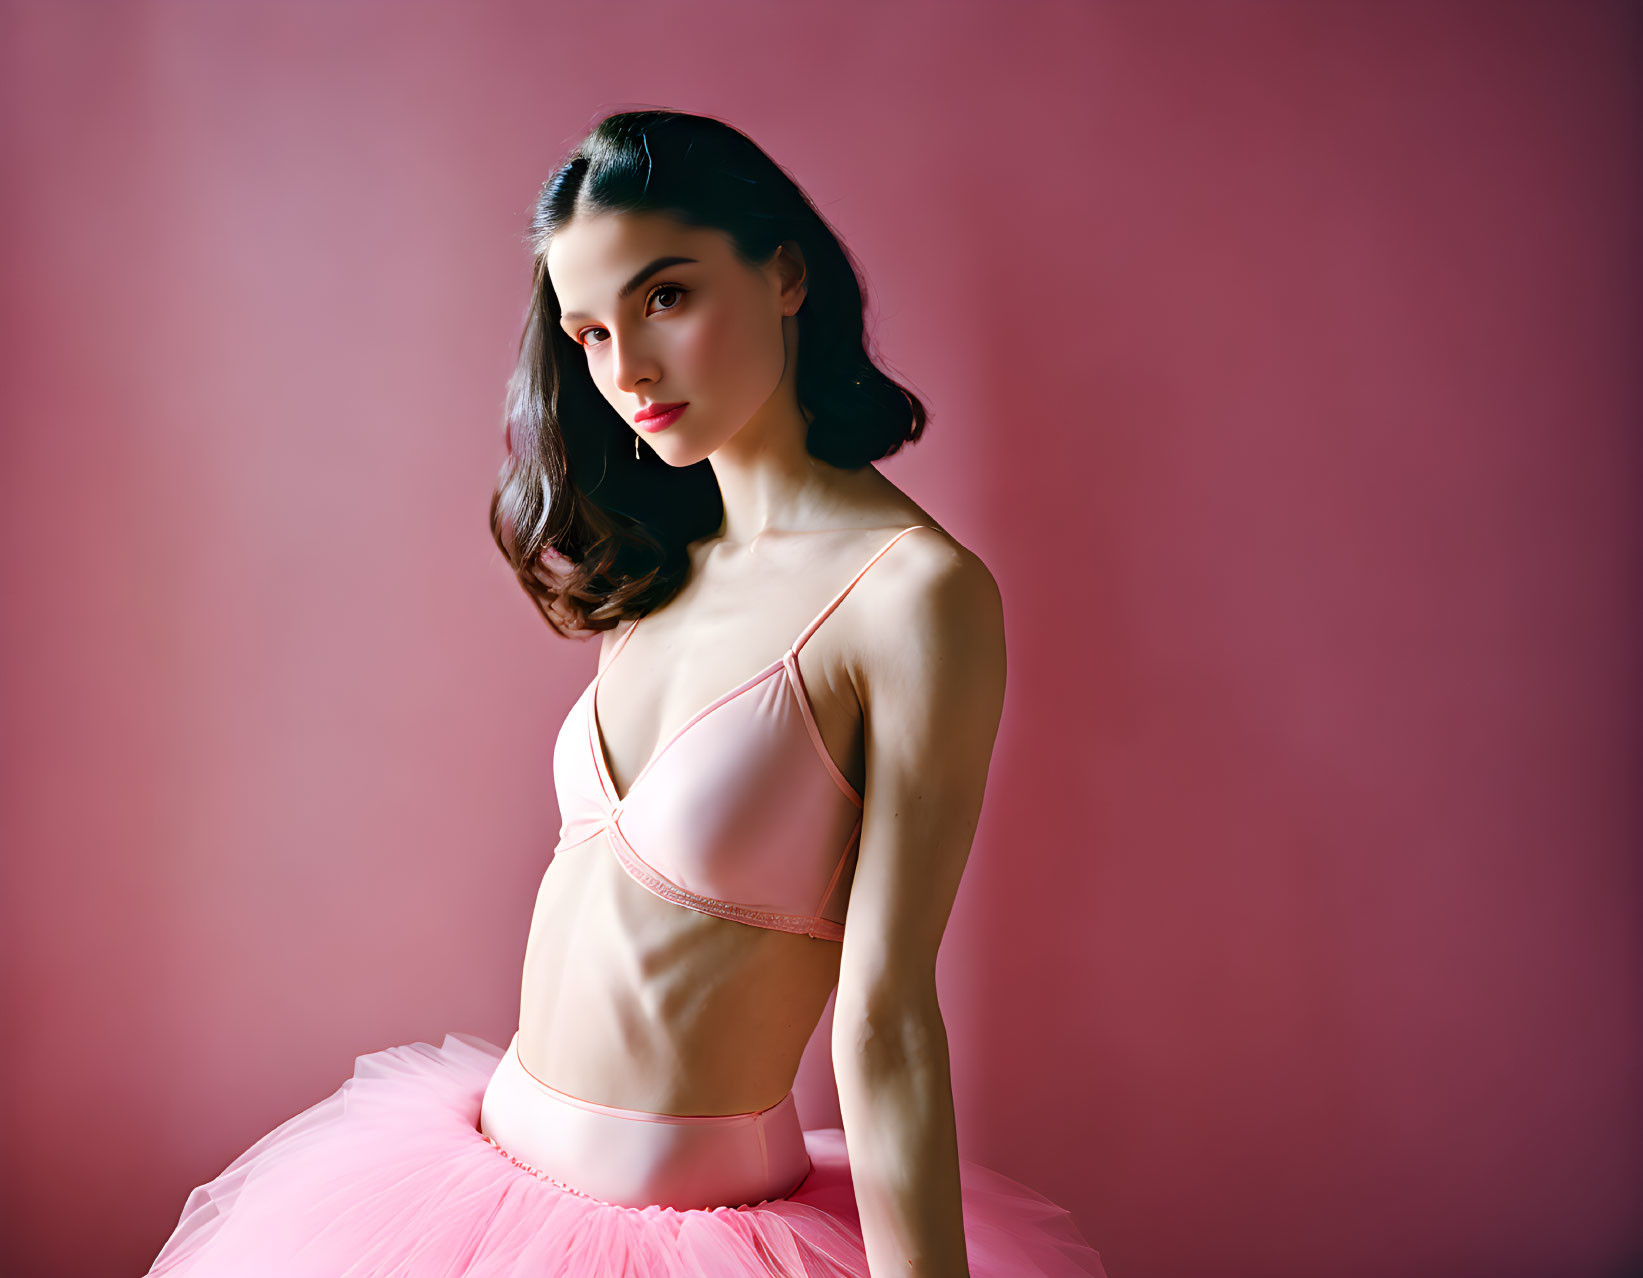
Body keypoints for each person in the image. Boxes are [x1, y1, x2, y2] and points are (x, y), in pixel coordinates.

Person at [145, 108, 1108, 1278]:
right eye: (589, 332)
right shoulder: (664, 561)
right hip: (474, 1199)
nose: (626, 372)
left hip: (689, 1239)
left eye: (664, 300)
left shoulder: (910, 599)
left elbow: (887, 1015)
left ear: (786, 272)